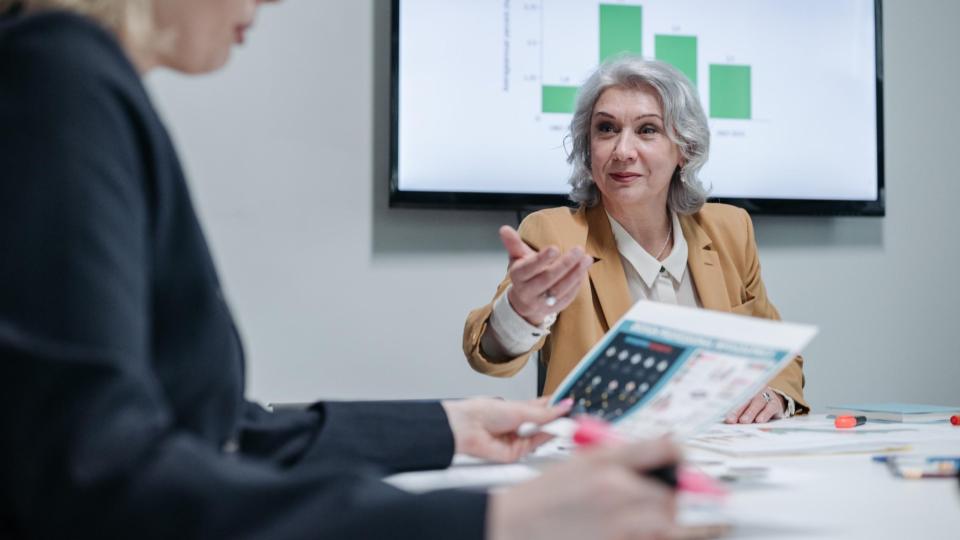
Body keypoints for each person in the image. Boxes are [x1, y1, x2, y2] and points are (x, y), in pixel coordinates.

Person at [0, 1, 681, 538]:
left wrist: (447, 426)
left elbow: (216, 436)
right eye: (608, 129)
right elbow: (94, 473)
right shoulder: (58, 78)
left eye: (649, 131)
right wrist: (493, 523)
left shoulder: (77, 80)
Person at [464, 57, 807, 424]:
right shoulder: (554, 234)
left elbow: (777, 354)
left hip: (719, 456)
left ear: (684, 148)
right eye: (607, 129)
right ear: (588, 147)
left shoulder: (730, 230)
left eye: (647, 130)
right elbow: (489, 354)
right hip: (602, 461)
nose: (623, 151)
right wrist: (520, 312)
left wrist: (775, 394)